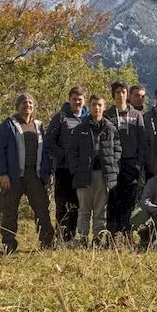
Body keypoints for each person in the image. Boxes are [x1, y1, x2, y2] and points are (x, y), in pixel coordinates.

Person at [0, 93, 54, 253]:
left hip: (35, 175)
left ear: (34, 107)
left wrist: (47, 173)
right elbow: (0, 151)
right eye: (23, 103)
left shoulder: (38, 126)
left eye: (30, 103)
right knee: (10, 210)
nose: (27, 105)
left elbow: (46, 151)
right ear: (18, 106)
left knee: (42, 209)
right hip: (13, 176)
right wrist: (3, 174)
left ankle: (47, 242)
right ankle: (9, 244)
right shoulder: (8, 125)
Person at [68, 94, 122, 247]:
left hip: (103, 175)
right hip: (84, 175)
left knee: (100, 210)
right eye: (93, 105)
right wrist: (76, 170)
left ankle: (98, 239)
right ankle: (83, 238)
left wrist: (114, 169)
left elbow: (118, 149)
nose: (97, 108)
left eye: (99, 105)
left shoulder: (111, 128)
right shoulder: (80, 128)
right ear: (89, 107)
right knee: (84, 210)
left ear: (104, 107)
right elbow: (72, 152)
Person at [45, 86, 88, 242]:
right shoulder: (61, 117)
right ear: (69, 100)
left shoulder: (88, 117)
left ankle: (72, 236)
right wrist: (63, 155)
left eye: (80, 99)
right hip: (63, 169)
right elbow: (49, 140)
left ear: (84, 101)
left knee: (78, 204)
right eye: (74, 99)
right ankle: (62, 237)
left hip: (81, 170)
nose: (77, 102)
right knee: (62, 203)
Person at [104, 81, 147, 237]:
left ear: (127, 95)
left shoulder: (136, 115)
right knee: (113, 199)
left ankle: (126, 233)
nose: (120, 95)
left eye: (123, 92)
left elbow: (143, 141)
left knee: (129, 200)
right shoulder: (107, 114)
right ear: (113, 95)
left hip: (131, 164)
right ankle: (112, 234)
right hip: (113, 164)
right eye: (117, 92)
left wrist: (138, 163)